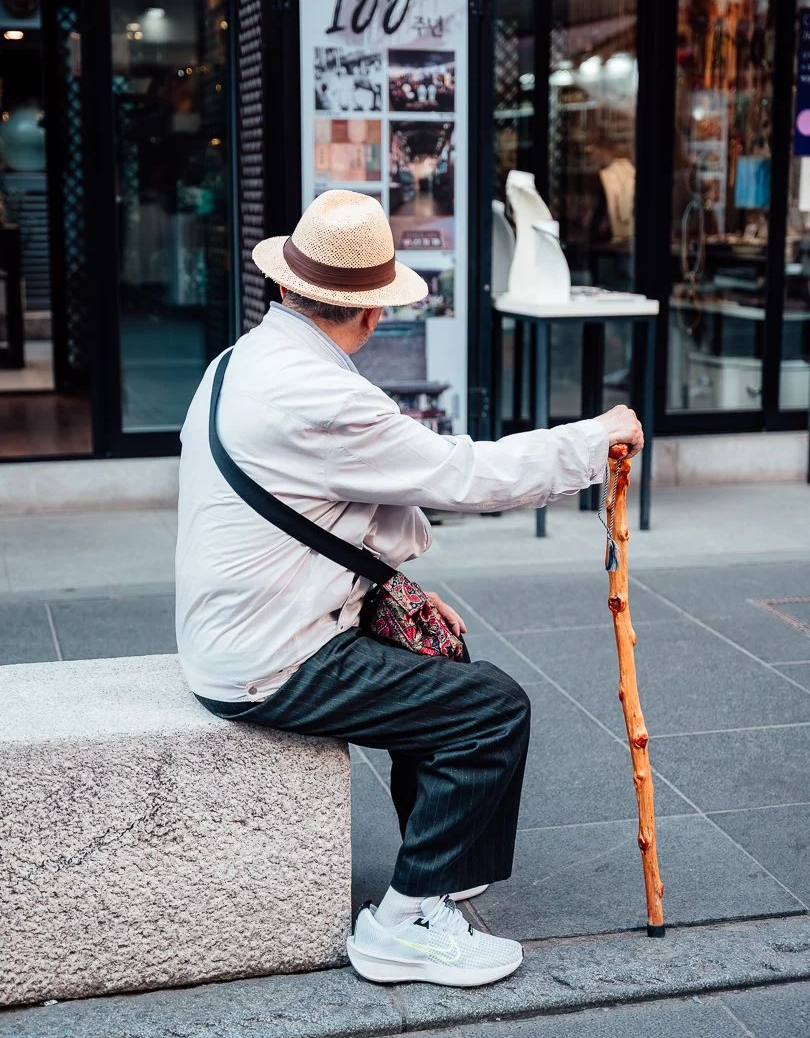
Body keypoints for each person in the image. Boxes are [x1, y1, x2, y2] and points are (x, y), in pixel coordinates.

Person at [175, 190, 643, 989]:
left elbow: (325, 512)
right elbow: (465, 474)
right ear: (368, 315)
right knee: (490, 708)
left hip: (238, 629)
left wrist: (393, 591)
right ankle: (405, 920)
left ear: (288, 289)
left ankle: (444, 869)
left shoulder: (242, 363)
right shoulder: (323, 396)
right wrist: (594, 442)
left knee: (445, 663)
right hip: (269, 658)